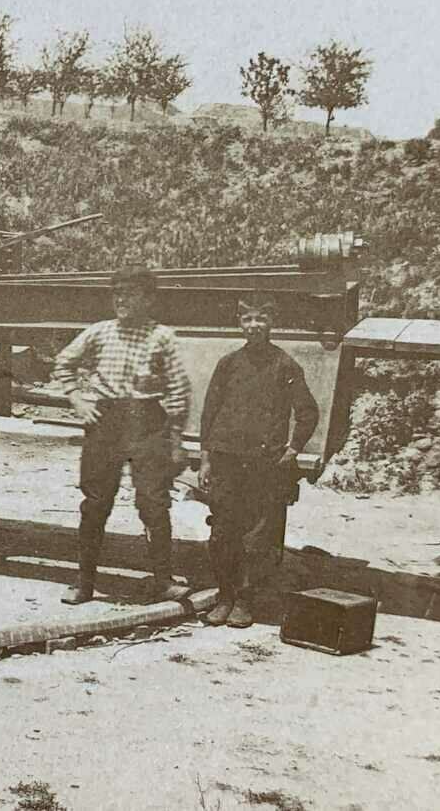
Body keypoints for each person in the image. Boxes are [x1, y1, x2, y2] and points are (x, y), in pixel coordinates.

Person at [52, 265, 192, 605]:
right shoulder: (100, 332)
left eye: (129, 293)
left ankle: (163, 580)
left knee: (153, 503)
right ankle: (85, 583)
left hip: (148, 423)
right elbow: (63, 363)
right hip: (106, 422)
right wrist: (78, 400)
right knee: (96, 503)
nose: (121, 300)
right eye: (117, 293)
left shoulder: (162, 337)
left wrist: (175, 439)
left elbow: (178, 390)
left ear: (148, 298)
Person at [198, 294, 318, 627]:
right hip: (226, 462)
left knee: (257, 538)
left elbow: (307, 412)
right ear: (239, 324)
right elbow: (209, 415)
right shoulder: (228, 363)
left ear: (271, 323)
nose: (253, 326)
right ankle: (224, 597)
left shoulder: (286, 365)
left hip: (265, 466)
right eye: (247, 320)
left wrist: (293, 448)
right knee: (222, 533)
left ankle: (245, 602)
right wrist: (206, 459)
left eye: (260, 320)